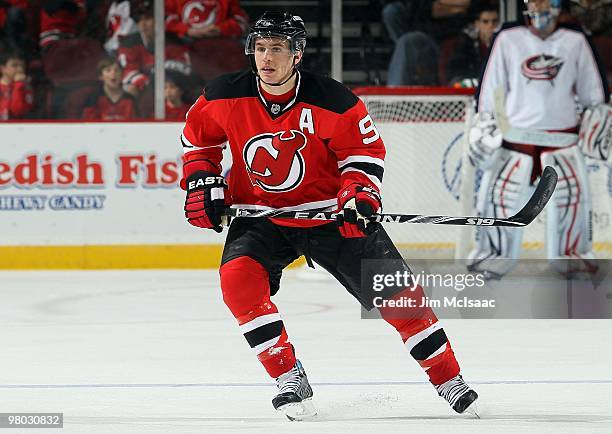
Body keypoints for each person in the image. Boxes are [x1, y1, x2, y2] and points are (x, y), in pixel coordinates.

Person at [180, 11, 479, 420]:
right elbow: (198, 143)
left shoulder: (333, 100)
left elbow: (363, 156)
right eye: (261, 48)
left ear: (297, 53)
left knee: (401, 299)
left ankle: (449, 379)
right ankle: (289, 377)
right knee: (237, 282)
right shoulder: (222, 95)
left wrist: (359, 194)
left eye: (278, 49)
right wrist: (202, 181)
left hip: (333, 218)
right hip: (263, 219)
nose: (266, 58)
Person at [467, 0, 610, 279]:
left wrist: (597, 119)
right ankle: (492, 258)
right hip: (515, 142)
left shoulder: (575, 41)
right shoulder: (508, 40)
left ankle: (572, 258)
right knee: (499, 205)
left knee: (572, 208)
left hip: (561, 142)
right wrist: (488, 124)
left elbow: (593, 93)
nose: (541, 5)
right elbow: (493, 91)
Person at [382, 0, 471, 85]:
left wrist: (440, 5)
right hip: (421, 36)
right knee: (392, 13)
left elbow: (469, 4)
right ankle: (398, 87)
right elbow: (425, 7)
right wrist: (457, 8)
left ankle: (398, 89)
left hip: (450, 40)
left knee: (409, 41)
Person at [117, 0, 191, 98]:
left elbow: (184, 71)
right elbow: (128, 72)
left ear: (158, 20)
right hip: (145, 90)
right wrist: (148, 82)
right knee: (130, 88)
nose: (143, 24)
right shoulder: (129, 43)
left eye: (147, 19)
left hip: (171, 89)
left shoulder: (174, 41)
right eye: (139, 20)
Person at [446, 0, 499, 87]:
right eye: (485, 22)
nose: (491, 26)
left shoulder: (504, 44)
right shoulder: (466, 44)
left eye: (494, 21)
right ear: (477, 24)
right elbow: (456, 75)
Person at [165, 0, 249, 40]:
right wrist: (187, 30)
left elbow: (241, 22)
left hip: (222, 46)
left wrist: (219, 29)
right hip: (183, 45)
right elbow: (164, 21)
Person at [0, 51, 33, 120]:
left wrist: (18, 85)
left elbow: (18, 111)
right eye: (14, 65)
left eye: (22, 66)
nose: (19, 69)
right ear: (2, 69)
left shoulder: (26, 87)